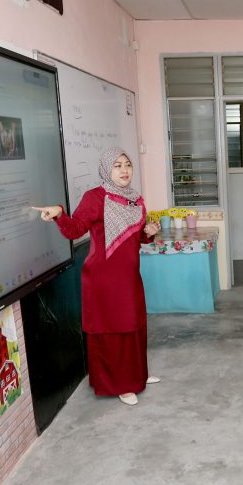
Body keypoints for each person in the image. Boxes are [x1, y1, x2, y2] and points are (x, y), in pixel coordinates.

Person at [31, 149, 161, 405]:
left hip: (129, 277)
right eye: (117, 165)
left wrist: (148, 232)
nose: (124, 170)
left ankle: (137, 376)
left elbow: (136, 238)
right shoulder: (96, 197)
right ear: (106, 170)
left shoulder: (135, 199)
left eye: (127, 164)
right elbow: (75, 229)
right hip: (103, 279)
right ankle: (121, 384)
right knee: (115, 330)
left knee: (134, 324)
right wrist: (59, 214)